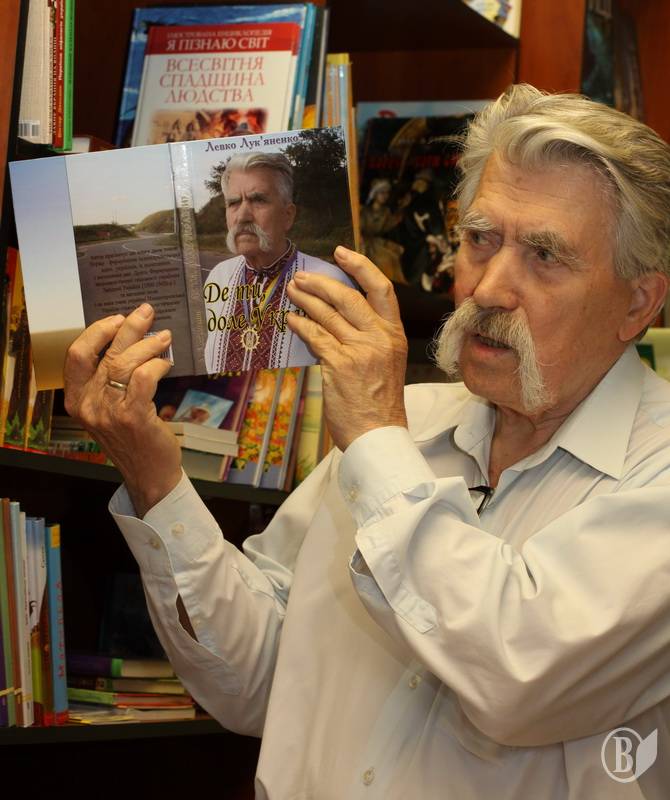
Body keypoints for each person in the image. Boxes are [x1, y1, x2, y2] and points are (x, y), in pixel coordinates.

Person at [63, 84, 670, 798]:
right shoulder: (402, 420)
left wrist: (380, 441)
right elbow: (255, 680)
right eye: (480, 239)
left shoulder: (648, 469)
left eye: (544, 255)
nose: (487, 288)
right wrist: (155, 478)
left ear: (638, 302)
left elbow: (517, 675)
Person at [203, 151, 355, 373]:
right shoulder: (218, 276)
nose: (242, 216)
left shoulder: (330, 282)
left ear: (288, 215)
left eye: (258, 200)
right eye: (233, 203)